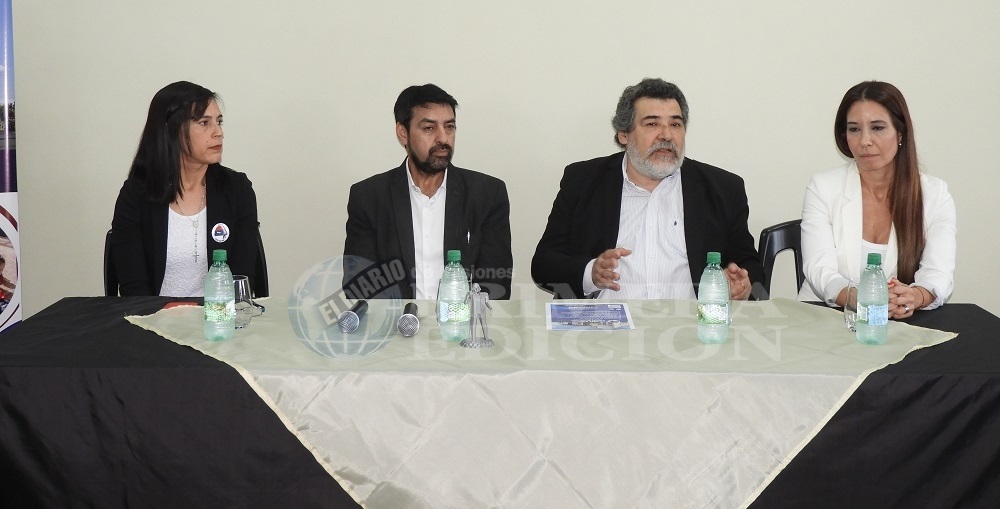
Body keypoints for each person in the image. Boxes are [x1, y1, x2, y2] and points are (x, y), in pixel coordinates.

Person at [531, 78, 763, 300]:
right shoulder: (583, 181)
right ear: (624, 134)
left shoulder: (723, 188)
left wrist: (741, 285)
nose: (666, 135)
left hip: (689, 322)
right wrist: (591, 273)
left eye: (675, 124)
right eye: (652, 124)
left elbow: (750, 267)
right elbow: (544, 264)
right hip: (602, 323)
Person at [799, 81, 956, 318]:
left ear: (900, 133)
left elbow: (938, 273)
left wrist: (913, 297)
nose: (865, 141)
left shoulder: (935, 194)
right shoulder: (823, 187)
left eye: (878, 128)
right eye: (854, 129)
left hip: (899, 322)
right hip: (825, 316)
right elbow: (819, 269)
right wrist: (861, 298)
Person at [344, 84, 513, 300]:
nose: (443, 138)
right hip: (397, 320)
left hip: (463, 320)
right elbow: (359, 285)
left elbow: (496, 284)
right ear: (403, 133)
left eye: (449, 127)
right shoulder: (369, 197)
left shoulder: (487, 194)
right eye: (429, 128)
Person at [110, 81, 259, 297]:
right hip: (155, 315)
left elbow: (241, 281)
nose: (218, 132)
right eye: (204, 123)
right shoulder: (135, 195)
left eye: (219, 122)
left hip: (218, 315)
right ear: (171, 129)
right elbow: (134, 289)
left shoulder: (238, 190)